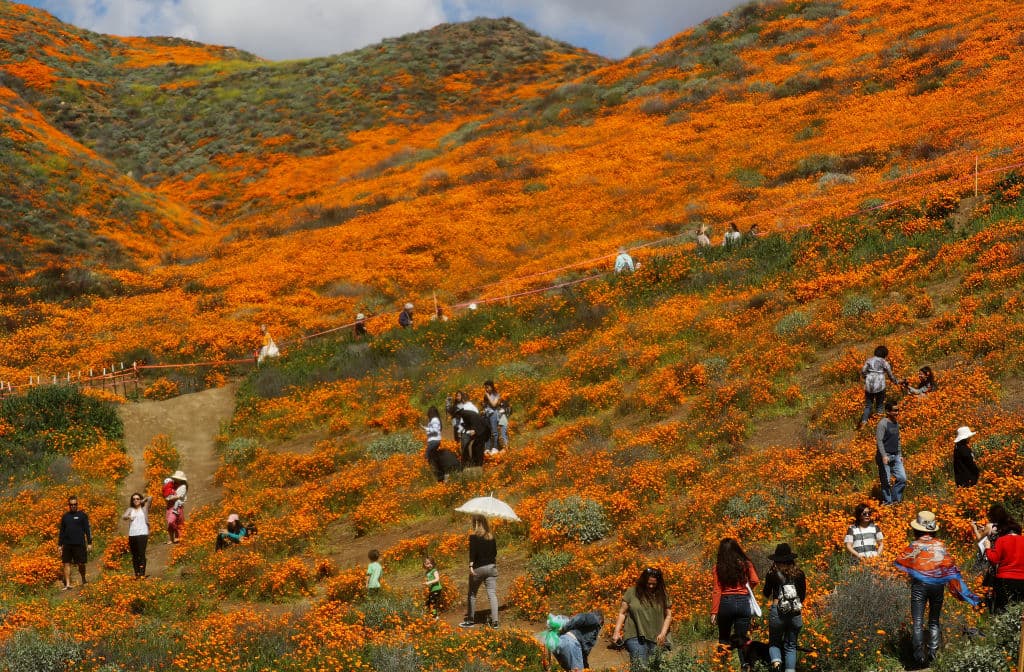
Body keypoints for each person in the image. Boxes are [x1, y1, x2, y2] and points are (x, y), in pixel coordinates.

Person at [895, 511, 980, 666]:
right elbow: (948, 565)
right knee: (934, 620)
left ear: (917, 529)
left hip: (919, 585)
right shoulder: (940, 545)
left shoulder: (914, 545)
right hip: (937, 585)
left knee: (918, 621)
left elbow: (903, 562)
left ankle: (919, 656)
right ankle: (933, 653)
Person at [712, 538, 758, 672]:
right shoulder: (746, 564)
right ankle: (745, 666)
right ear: (737, 549)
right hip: (743, 603)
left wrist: (714, 612)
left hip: (726, 603)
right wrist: (747, 589)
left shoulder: (718, 568)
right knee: (741, 639)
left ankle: (722, 665)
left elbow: (717, 589)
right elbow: (755, 580)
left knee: (724, 637)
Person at [612, 567, 673, 667]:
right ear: (643, 581)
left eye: (654, 583)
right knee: (640, 665)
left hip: (656, 637)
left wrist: (663, 634)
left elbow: (668, 616)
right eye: (648, 583)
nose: (651, 586)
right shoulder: (632, 592)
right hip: (634, 635)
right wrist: (616, 632)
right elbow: (622, 613)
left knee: (656, 666)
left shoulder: (663, 595)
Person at [762, 543, 806, 672]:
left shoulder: (772, 574)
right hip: (795, 613)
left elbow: (766, 593)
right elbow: (802, 595)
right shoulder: (800, 574)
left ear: (776, 560)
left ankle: (777, 665)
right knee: (791, 646)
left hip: (777, 611)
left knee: (774, 643)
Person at [981, 506, 1024, 613]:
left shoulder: (1002, 540)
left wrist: (987, 548)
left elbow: (993, 559)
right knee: (1018, 610)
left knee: (1001, 610)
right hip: (1022, 580)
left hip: (1004, 580)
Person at [460, 515, 499, 628]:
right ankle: (495, 622)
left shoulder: (473, 537)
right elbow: (495, 553)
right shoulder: (491, 537)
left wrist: (471, 565)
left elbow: (472, 553)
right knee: (492, 594)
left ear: (475, 524)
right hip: (491, 567)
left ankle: (470, 620)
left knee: (472, 594)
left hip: (478, 568)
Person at [858, 345, 900, 430]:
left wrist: (867, 377)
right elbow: (890, 375)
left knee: (868, 406)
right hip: (880, 385)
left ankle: (863, 423)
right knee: (880, 406)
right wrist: (896, 382)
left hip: (869, 385)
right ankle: (878, 425)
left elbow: (863, 371)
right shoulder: (884, 362)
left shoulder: (869, 360)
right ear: (885, 354)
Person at [875, 402, 906, 505]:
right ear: (888, 412)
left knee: (902, 478)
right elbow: (879, 441)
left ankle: (895, 500)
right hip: (886, 456)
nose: (897, 412)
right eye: (895, 410)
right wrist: (883, 455)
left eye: (898, 410)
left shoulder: (896, 423)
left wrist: (900, 454)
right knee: (886, 481)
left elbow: (898, 439)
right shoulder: (882, 424)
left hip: (896, 455)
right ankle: (888, 502)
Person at [58, 495, 92, 590]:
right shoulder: (65, 517)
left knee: (81, 563)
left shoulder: (82, 515)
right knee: (66, 563)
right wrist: (59, 545)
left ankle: (84, 579)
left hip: (79, 543)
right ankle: (67, 584)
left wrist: (89, 543)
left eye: (75, 504)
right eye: (71, 504)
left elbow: (87, 530)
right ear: (69, 505)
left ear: (77, 504)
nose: (73, 506)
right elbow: (62, 532)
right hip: (67, 544)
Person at [121, 492, 152, 578]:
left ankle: (142, 574)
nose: (135, 500)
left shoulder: (144, 508)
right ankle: (137, 574)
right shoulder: (130, 509)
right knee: (134, 555)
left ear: (140, 499)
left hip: (143, 533)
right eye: (134, 499)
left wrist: (142, 500)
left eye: (137, 499)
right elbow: (123, 516)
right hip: (132, 534)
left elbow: (150, 498)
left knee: (141, 554)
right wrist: (128, 517)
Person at [481, 380, 509, 454]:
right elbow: (485, 405)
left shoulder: (496, 395)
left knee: (494, 432)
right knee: (487, 431)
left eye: (487, 387)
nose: (486, 389)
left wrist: (488, 396)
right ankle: (488, 448)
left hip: (493, 415)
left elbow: (494, 405)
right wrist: (483, 409)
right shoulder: (485, 396)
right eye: (485, 388)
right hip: (487, 415)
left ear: (492, 387)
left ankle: (495, 447)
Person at [164, 471, 188, 543]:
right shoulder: (172, 485)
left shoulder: (182, 487)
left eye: (177, 478)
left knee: (172, 521)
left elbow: (178, 496)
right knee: (170, 523)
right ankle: (172, 539)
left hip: (177, 507)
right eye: (175, 478)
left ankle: (179, 537)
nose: (175, 479)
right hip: (169, 507)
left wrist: (168, 498)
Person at [423, 406, 444, 482]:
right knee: (433, 458)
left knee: (427, 457)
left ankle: (432, 474)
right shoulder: (435, 420)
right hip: (435, 441)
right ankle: (439, 476)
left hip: (433, 441)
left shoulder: (434, 420)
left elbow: (435, 430)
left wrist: (426, 429)